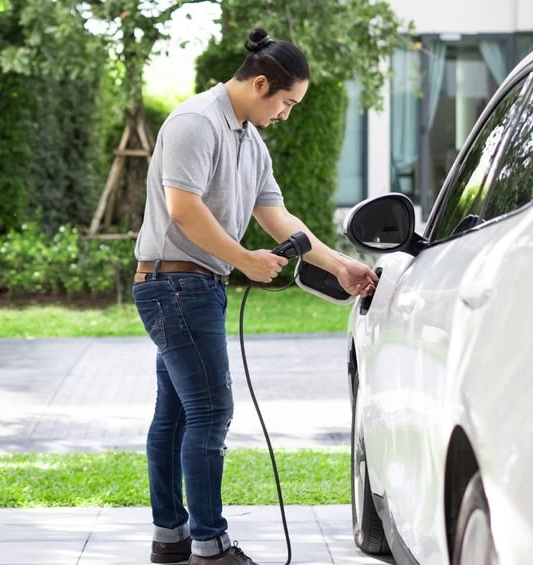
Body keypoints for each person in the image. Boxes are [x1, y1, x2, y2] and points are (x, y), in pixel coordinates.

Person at [132, 26, 378, 565]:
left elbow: (278, 217)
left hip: (193, 285)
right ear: (261, 83)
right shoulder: (197, 122)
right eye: (287, 102)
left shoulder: (249, 138)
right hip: (175, 283)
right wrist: (244, 260)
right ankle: (210, 546)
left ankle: (170, 540)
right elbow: (183, 208)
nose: (288, 113)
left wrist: (340, 265)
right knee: (211, 411)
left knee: (175, 415)